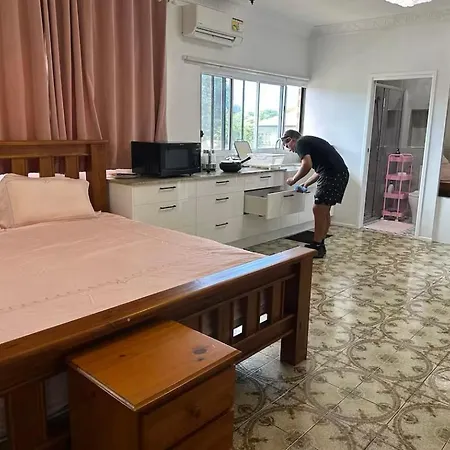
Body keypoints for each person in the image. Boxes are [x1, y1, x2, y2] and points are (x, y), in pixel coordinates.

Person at [282, 130, 349, 258]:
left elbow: (307, 165)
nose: (290, 150)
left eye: (287, 145)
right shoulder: (310, 141)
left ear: (290, 139)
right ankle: (320, 244)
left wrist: (293, 180)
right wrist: (305, 184)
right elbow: (319, 171)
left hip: (332, 175)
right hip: (340, 174)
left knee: (318, 208)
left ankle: (317, 245)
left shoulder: (301, 143)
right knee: (324, 210)